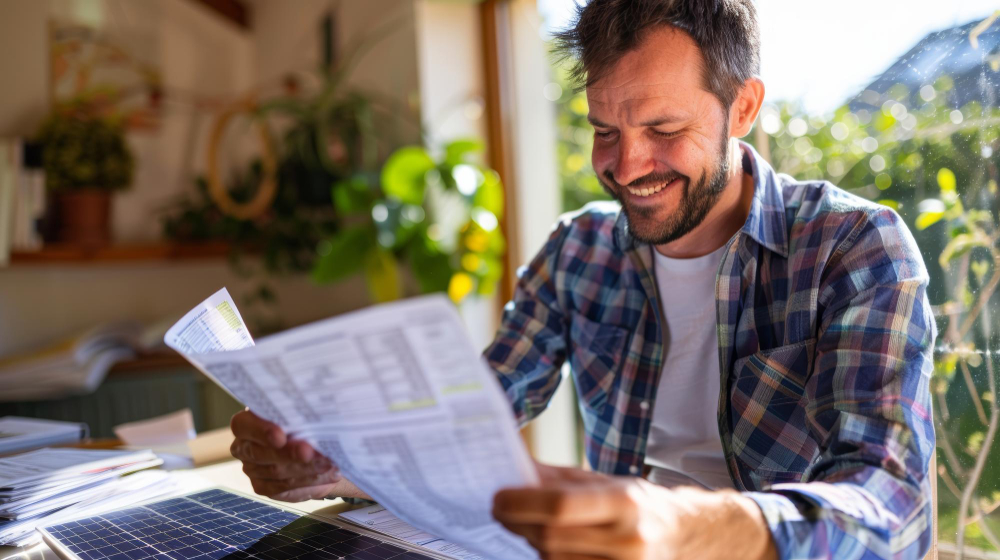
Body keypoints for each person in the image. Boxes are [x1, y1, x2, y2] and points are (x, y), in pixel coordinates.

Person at [229, 1, 937, 558]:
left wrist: (685, 528)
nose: (627, 168)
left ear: (743, 108)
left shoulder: (854, 248)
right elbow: (467, 428)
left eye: (663, 128)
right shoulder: (580, 252)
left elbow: (891, 508)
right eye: (604, 130)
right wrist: (331, 468)